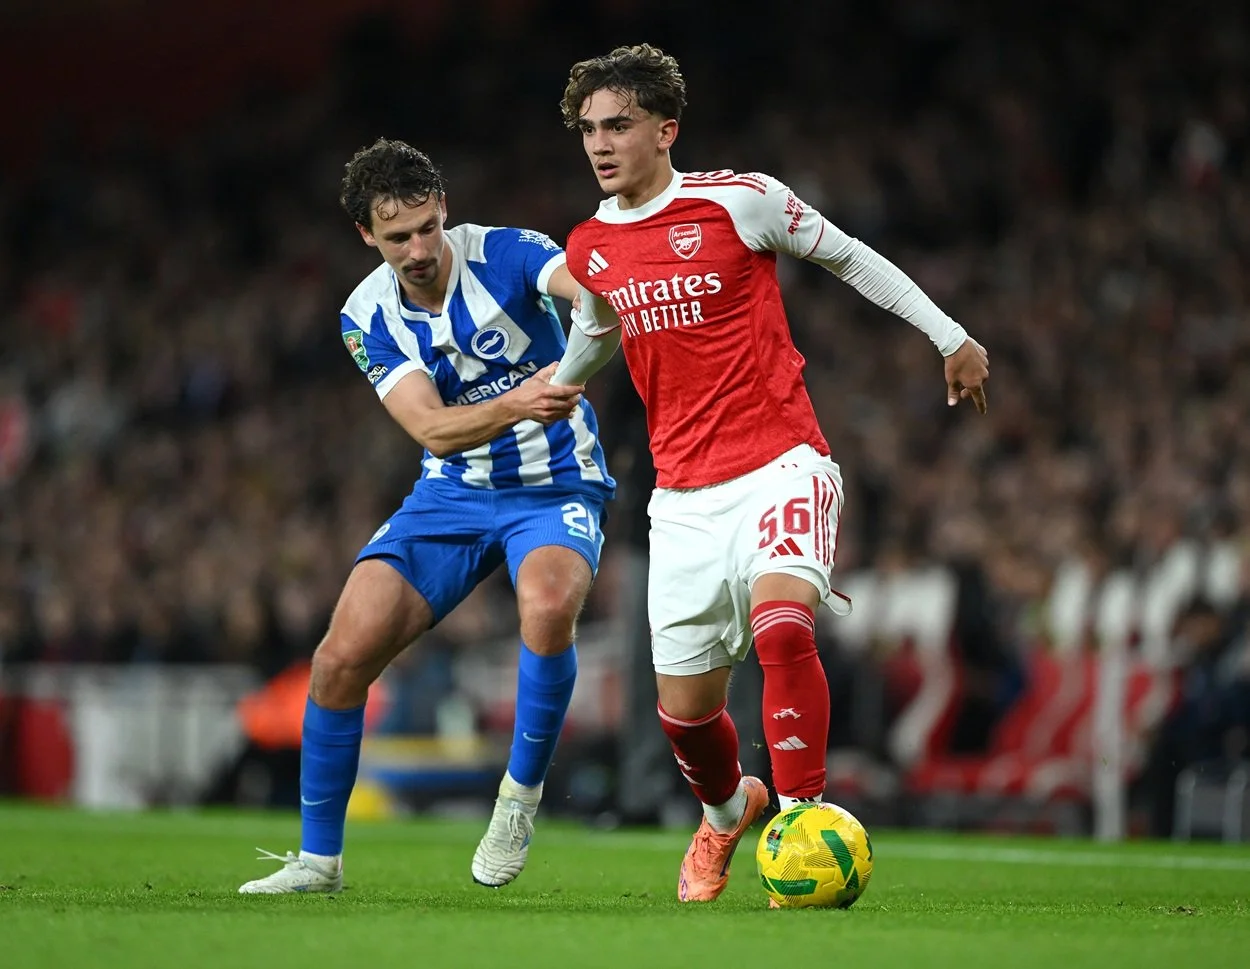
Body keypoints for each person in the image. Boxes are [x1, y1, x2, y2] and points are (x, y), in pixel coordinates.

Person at [552, 44, 989, 903]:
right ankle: (727, 812)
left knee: (784, 629)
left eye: (619, 125)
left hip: (780, 464)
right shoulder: (592, 244)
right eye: (589, 129)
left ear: (666, 129)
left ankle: (803, 820)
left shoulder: (740, 201)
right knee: (684, 714)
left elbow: (850, 255)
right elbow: (599, 330)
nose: (600, 143)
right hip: (681, 498)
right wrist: (555, 390)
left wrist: (951, 336)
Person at [239, 138, 616, 893]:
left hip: (555, 484)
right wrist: (520, 401)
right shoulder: (365, 314)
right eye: (396, 237)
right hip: (450, 495)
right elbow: (433, 429)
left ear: (444, 209)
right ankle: (318, 861)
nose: (417, 249)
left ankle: (517, 802)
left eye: (426, 228)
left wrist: (585, 319)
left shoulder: (508, 253)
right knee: (338, 660)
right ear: (366, 235)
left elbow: (588, 292)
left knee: (547, 607)